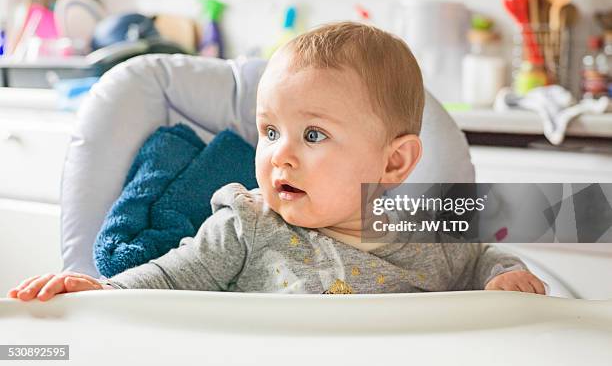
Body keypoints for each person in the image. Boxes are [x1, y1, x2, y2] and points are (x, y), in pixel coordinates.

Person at [8, 22, 546, 301]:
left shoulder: (431, 229)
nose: (278, 154)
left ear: (396, 161)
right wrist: (104, 291)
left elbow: (486, 258)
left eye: (312, 134)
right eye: (269, 131)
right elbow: (171, 277)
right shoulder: (247, 225)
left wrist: (508, 278)